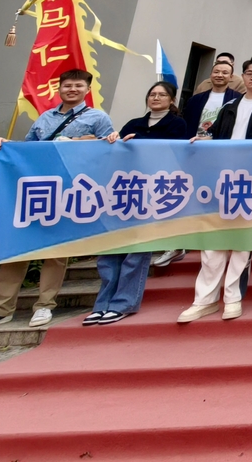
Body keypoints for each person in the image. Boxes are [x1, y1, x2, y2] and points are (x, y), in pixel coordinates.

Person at [0, 69, 115, 334]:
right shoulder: (45, 117)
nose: (72, 89)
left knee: (56, 252)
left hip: (67, 192)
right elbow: (27, 150)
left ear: (87, 90)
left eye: (78, 86)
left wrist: (104, 140)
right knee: (18, 248)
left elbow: (107, 152)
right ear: (59, 88)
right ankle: (0, 309)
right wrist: (6, 145)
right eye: (67, 85)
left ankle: (45, 305)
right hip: (35, 190)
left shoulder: (98, 118)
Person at [179, 57, 252, 324]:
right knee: (213, 240)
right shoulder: (229, 106)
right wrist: (204, 139)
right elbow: (217, 136)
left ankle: (232, 298)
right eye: (249, 73)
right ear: (241, 76)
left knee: (241, 243)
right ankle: (204, 300)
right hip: (223, 178)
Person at [84, 82, 186, 326]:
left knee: (136, 250)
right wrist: (115, 140)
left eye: (162, 95)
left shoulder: (178, 124)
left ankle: (123, 303)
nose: (156, 98)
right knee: (110, 249)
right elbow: (117, 152)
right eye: (152, 94)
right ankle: (102, 304)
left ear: (172, 100)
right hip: (125, 189)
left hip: (153, 191)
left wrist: (140, 142)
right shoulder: (133, 123)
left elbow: (176, 154)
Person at [183, 59, 241, 136]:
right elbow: (186, 123)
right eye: (216, 72)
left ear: (231, 77)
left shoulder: (237, 99)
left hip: (221, 141)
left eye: (225, 73)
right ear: (210, 75)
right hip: (195, 140)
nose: (219, 75)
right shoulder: (195, 99)